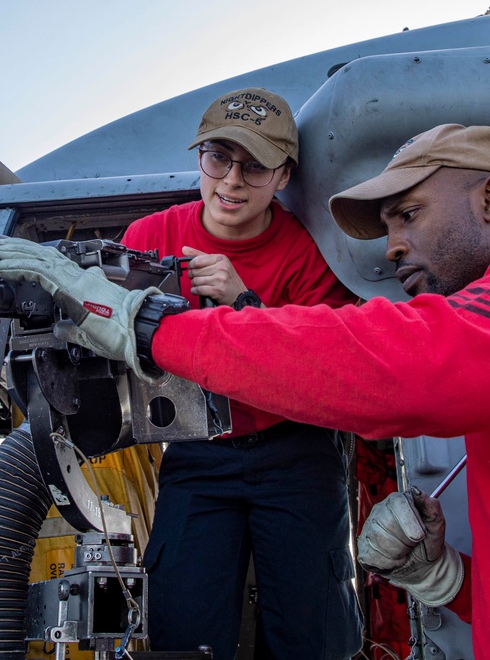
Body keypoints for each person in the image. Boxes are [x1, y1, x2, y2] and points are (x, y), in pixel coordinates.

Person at [0, 123, 490, 658]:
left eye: (408, 215)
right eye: (388, 226)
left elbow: (396, 365)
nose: (394, 247)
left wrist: (150, 322)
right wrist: (450, 580)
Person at [117, 87, 363, 660]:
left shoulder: (308, 255)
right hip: (196, 451)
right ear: (198, 158)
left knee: (314, 631)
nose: (231, 181)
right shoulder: (147, 239)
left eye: (254, 167)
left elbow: (326, 371)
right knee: (182, 621)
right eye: (218, 159)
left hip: (295, 451)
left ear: (283, 176)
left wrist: (245, 303)